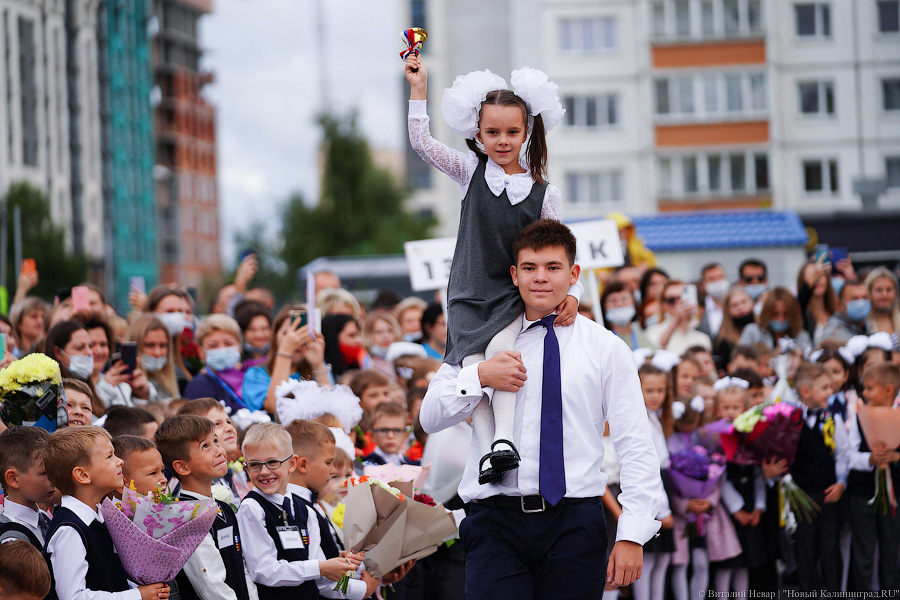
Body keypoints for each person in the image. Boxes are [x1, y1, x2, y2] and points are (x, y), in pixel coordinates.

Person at [420, 220, 661, 599]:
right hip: (494, 519)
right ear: (514, 275)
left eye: (553, 267)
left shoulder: (605, 347)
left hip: (574, 521)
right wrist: (480, 374)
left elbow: (636, 443)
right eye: (530, 268)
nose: (541, 278)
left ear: (574, 274)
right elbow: (430, 416)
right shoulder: (479, 341)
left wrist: (633, 533)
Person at [407, 56, 584, 486]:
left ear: (527, 133)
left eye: (511, 132)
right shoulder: (470, 171)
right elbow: (422, 143)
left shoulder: (545, 193)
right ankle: (492, 449)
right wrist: (418, 90)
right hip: (468, 292)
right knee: (474, 365)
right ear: (477, 133)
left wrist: (573, 295)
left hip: (511, 294)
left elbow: (561, 250)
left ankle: (503, 441)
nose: (502, 141)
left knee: (501, 357)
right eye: (492, 132)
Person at [235, 423, 365, 599]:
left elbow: (318, 573)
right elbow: (263, 570)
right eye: (255, 465)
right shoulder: (252, 508)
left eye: (272, 462)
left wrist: (340, 564)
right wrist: (320, 568)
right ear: (246, 468)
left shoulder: (305, 509)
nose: (264, 472)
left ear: (292, 463)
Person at [44, 426, 171, 600]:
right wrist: (137, 595)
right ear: (82, 475)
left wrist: (145, 589)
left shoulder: (101, 516)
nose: (120, 462)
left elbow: (110, 577)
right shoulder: (70, 530)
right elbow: (73, 597)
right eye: (109, 456)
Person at [155, 415, 258, 600]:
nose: (218, 451)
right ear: (183, 467)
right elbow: (210, 585)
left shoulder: (224, 509)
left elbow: (242, 570)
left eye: (216, 441)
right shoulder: (187, 518)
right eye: (205, 446)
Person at [283, 420, 381, 599]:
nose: (331, 471)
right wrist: (364, 589)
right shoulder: (295, 509)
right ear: (303, 465)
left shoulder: (312, 506)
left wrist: (345, 562)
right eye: (329, 463)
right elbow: (317, 577)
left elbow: (324, 562)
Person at [786, 362, 850, 592]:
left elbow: (843, 454)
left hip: (828, 493)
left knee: (830, 546)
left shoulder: (833, 420)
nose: (829, 392)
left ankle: (834, 591)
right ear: (806, 391)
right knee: (805, 547)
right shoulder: (790, 421)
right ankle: (807, 590)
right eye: (824, 387)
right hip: (802, 494)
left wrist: (841, 483)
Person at [847, 362, 900, 592]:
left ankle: (890, 592)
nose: (865, 393)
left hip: (893, 495)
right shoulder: (859, 416)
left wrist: (896, 457)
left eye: (870, 388)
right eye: (863, 388)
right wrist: (869, 459)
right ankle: (862, 593)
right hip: (862, 492)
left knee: (891, 549)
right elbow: (849, 455)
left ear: (889, 390)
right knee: (863, 550)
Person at [714, 381, 765, 595]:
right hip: (729, 506)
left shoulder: (751, 435)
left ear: (745, 409)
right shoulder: (716, 437)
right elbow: (719, 477)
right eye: (726, 408)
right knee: (728, 561)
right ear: (717, 410)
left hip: (750, 499)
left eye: (736, 408)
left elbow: (759, 473)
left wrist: (759, 507)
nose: (731, 413)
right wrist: (736, 509)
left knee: (745, 561)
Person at [632, 364, 674, 600]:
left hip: (661, 492)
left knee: (663, 559)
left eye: (661, 390)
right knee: (647, 562)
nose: (656, 395)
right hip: (653, 499)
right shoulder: (641, 423)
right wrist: (663, 510)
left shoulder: (655, 419)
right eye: (649, 390)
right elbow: (650, 471)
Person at [242, 306, 331, 414]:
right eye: (287, 333)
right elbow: (275, 406)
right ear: (275, 336)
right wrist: (285, 352)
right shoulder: (256, 374)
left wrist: (318, 364)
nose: (295, 339)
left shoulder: (316, 371)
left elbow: (331, 412)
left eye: (301, 333)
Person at [177, 397, 248, 502]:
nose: (229, 428)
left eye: (228, 422)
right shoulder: (200, 486)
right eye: (217, 424)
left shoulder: (230, 470)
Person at [0, 427, 54, 548]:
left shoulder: (44, 518)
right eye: (45, 473)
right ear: (13, 479)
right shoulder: (12, 540)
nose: (54, 479)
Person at [184, 315, 248, 413]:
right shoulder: (198, 386)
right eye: (213, 345)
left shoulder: (250, 376)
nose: (222, 349)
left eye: (228, 343)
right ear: (201, 352)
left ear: (239, 347)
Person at [645, 280, 711, 355]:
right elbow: (657, 349)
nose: (678, 303)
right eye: (671, 300)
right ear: (663, 304)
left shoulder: (702, 338)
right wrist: (675, 320)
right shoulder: (653, 331)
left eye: (682, 298)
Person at [738, 287, 812, 352]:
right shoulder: (752, 332)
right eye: (776, 314)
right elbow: (741, 359)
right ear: (767, 313)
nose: (781, 318)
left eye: (786, 314)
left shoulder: (801, 336)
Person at [126, 314, 180, 401]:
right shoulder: (123, 384)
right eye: (150, 345)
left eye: (163, 345)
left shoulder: (170, 382)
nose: (157, 352)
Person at [360, 402, 418, 467]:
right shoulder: (367, 466)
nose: (390, 436)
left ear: (405, 435)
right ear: (372, 435)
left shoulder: (412, 465)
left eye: (397, 430)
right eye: (383, 430)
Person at [600, 280, 653, 350]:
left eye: (624, 299)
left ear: (634, 303)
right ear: (604, 306)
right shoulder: (601, 338)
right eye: (613, 300)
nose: (619, 304)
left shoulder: (645, 334)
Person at [713, 287, 755, 374]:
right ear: (727, 310)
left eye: (744, 302)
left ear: (752, 302)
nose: (741, 307)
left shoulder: (763, 331)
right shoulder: (723, 342)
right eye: (734, 305)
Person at [796, 259, 838, 341]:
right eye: (813, 275)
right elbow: (798, 305)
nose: (817, 279)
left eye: (821, 274)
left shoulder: (837, 312)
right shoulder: (801, 313)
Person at [361, 310, 401, 381]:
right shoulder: (364, 360)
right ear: (368, 334)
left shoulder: (404, 355)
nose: (385, 336)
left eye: (389, 330)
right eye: (378, 332)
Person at [234, 300, 273, 368]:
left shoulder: (277, 355)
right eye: (252, 329)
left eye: (264, 328)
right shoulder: (236, 359)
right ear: (243, 332)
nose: (259, 334)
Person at [697, 263, 730, 341]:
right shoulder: (699, 307)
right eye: (712, 279)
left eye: (721, 277)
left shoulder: (736, 304)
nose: (718, 281)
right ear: (704, 284)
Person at [865, 266, 900, 337]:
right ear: (869, 292)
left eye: (889, 289)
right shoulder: (862, 324)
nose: (884, 294)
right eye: (879, 290)